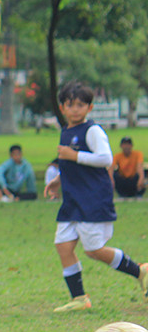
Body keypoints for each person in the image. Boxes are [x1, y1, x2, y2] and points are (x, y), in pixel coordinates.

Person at [43, 81, 148, 313]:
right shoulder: (66, 131)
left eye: (81, 105)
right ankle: (79, 298)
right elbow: (69, 162)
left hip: (92, 199)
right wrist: (58, 180)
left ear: (89, 108)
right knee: (63, 246)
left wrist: (75, 155)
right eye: (70, 105)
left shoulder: (92, 131)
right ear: (62, 108)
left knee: (93, 250)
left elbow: (105, 159)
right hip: (72, 200)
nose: (75, 109)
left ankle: (140, 270)